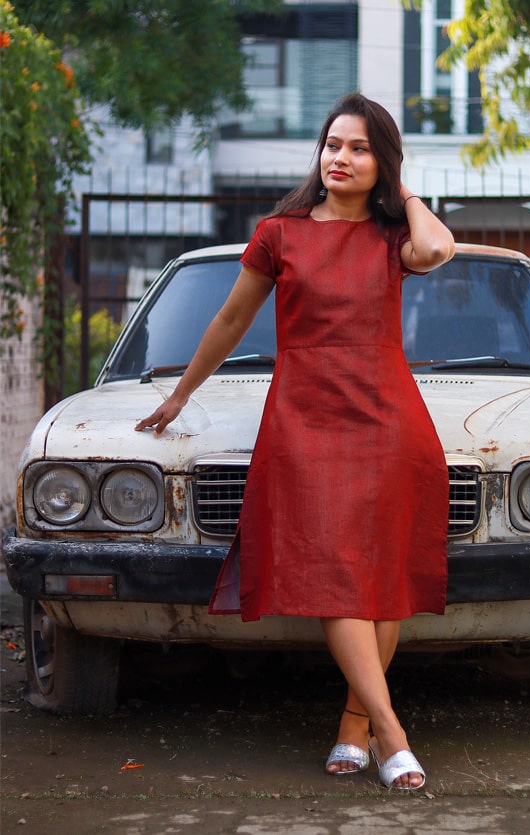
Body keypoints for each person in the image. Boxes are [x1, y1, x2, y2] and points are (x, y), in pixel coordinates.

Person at [136, 92, 455, 790]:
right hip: (306, 417)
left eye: (360, 148)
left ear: (383, 164)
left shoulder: (388, 236)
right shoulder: (279, 232)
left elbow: (436, 247)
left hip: (387, 415)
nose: (340, 157)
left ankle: (354, 723)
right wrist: (181, 392)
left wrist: (402, 194)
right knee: (339, 573)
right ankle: (393, 733)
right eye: (333, 144)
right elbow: (226, 319)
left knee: (384, 579)